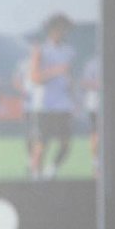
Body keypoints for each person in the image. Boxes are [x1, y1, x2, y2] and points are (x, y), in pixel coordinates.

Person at [28, 13, 77, 180]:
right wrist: (55, 71)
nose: (61, 32)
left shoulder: (69, 51)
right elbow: (34, 77)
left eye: (64, 29)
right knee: (41, 145)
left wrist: (74, 99)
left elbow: (70, 77)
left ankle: (51, 171)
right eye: (58, 28)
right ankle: (36, 177)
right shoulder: (41, 50)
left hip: (63, 104)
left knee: (65, 144)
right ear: (50, 30)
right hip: (45, 105)